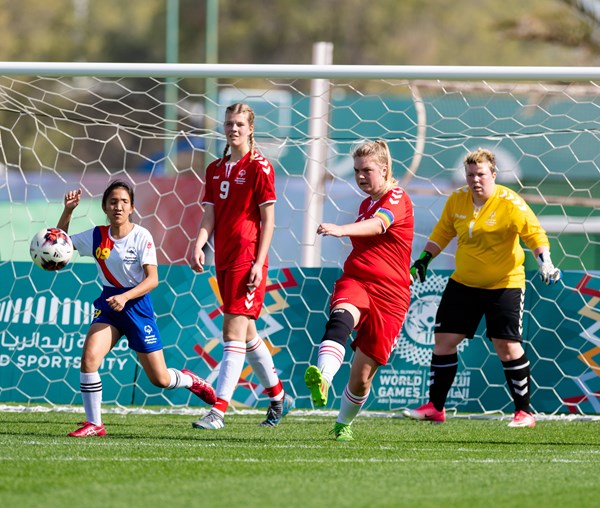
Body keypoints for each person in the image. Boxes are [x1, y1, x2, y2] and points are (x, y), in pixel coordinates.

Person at [403, 148, 562, 428]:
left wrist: (545, 262)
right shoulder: (457, 200)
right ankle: (435, 408)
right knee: (444, 341)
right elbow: (443, 231)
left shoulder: (510, 202)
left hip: (504, 284)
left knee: (507, 346)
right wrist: (424, 259)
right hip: (464, 283)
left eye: (480, 174)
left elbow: (534, 234)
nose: (475, 180)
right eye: (470, 175)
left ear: (493, 175)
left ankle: (524, 413)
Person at [57, 181, 216, 438]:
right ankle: (94, 424)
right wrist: (68, 211)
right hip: (109, 306)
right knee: (89, 360)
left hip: (137, 307)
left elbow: (153, 279)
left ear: (131, 207)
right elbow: (59, 246)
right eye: (112, 202)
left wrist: (126, 296)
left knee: (160, 379)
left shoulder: (141, 236)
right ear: (105, 207)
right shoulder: (97, 235)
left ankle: (190, 380)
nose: (118, 206)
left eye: (123, 202)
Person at [189, 102, 294, 430]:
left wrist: (259, 263)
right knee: (247, 335)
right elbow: (210, 214)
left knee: (232, 332)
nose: (233, 129)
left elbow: (269, 220)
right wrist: (199, 243)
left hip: (248, 260)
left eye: (239, 124)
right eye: (229, 124)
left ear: (251, 129)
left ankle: (217, 411)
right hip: (224, 258)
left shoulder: (261, 167)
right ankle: (278, 398)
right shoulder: (215, 169)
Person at [304, 140, 414, 441]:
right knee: (340, 320)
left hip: (391, 296)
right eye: (356, 171)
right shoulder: (366, 203)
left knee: (362, 378)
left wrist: (341, 229)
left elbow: (380, 227)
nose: (361, 176)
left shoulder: (397, 196)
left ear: (385, 169)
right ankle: (323, 378)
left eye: (367, 170)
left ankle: (342, 424)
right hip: (357, 280)